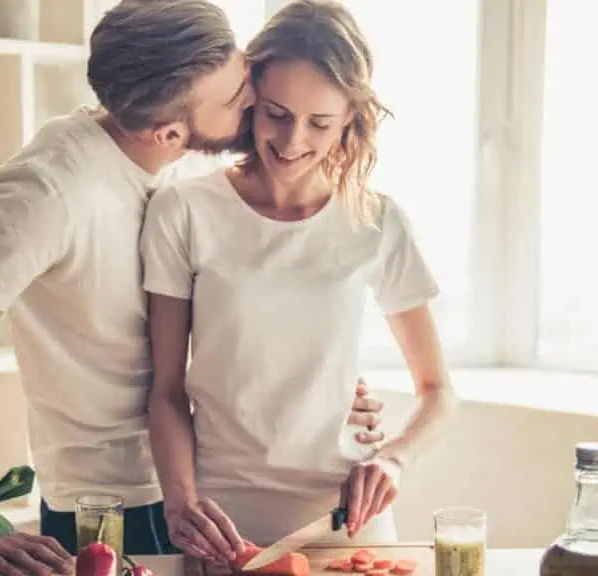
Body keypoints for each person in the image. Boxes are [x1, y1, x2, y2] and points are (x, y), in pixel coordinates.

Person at [0, 1, 387, 574]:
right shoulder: (46, 193)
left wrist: (315, 381)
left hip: (212, 486)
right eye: (235, 97)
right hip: (114, 506)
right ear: (168, 130)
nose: (252, 100)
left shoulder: (188, 159)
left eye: (242, 73)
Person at [140, 0, 461, 565]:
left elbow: (438, 392)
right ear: (249, 103)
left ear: (350, 121)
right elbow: (165, 389)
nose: (292, 141)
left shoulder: (376, 222)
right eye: (276, 114)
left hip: (348, 521)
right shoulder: (183, 209)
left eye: (319, 123)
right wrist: (181, 504)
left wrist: (393, 460)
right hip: (224, 524)